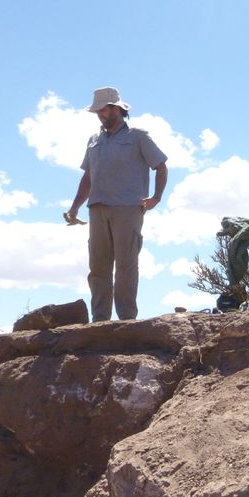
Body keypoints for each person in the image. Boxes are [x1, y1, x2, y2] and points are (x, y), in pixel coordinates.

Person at [66, 87, 168, 322]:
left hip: (128, 208)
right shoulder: (94, 140)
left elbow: (160, 166)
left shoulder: (138, 136)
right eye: (97, 111)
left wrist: (156, 197)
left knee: (126, 265)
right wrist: (75, 207)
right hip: (98, 208)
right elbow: (88, 177)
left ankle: (126, 321)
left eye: (103, 109)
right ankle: (100, 320)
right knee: (98, 267)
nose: (100, 114)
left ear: (117, 108)